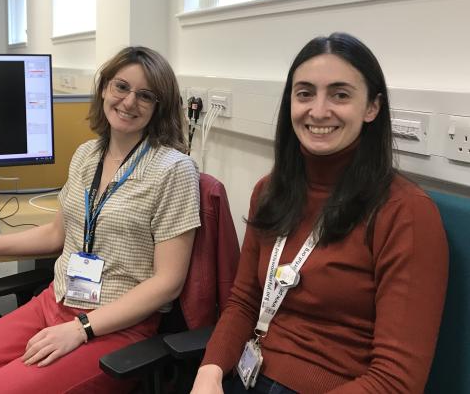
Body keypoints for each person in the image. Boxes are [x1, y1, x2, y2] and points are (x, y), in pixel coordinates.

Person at [0, 46, 201, 393]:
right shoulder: (87, 154)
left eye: (146, 95)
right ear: (104, 89)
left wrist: (81, 329)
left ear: (160, 106)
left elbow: (167, 282)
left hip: (114, 328)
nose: (128, 102)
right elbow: (55, 235)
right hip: (54, 303)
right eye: (121, 87)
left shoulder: (174, 170)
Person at [191, 33, 448, 394]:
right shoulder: (270, 190)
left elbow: (396, 381)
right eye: (305, 93)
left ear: (372, 107)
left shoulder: (406, 213)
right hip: (250, 375)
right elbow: (245, 301)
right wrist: (210, 371)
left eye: (340, 94)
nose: (319, 110)